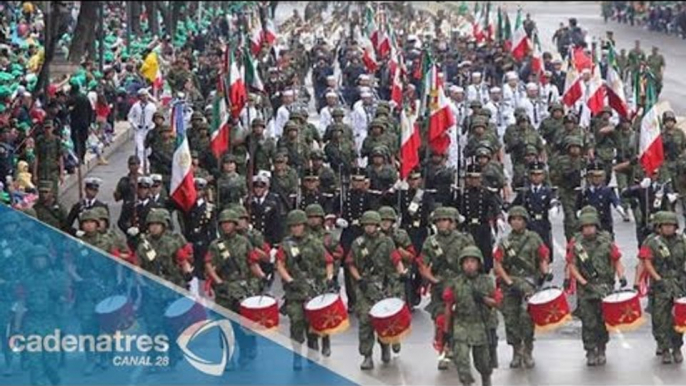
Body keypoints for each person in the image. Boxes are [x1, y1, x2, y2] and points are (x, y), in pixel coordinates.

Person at [205, 209, 267, 367]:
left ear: (235, 224)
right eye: (223, 224)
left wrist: (261, 276)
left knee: (243, 324)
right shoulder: (216, 245)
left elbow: (252, 262)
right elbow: (209, 266)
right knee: (225, 324)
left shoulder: (244, 242)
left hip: (242, 289)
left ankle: (246, 350)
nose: (226, 226)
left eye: (229, 223)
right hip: (224, 290)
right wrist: (218, 282)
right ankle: (228, 357)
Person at [346, 211, 407, 370]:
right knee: (365, 322)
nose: (369, 228)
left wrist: (401, 274)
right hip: (364, 286)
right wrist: (358, 279)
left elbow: (396, 259)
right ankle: (367, 356)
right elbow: (351, 263)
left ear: (377, 226)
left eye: (372, 225)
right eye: (366, 225)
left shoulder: (387, 242)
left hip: (384, 285)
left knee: (386, 319)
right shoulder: (357, 243)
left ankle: (386, 345)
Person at [493, 206, 551, 369]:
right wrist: (508, 281)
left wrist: (545, 272)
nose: (516, 222)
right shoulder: (505, 242)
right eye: (513, 219)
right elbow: (497, 264)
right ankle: (516, 351)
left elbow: (542, 257)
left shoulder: (534, 238)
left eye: (520, 219)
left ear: (525, 221)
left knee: (526, 318)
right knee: (510, 319)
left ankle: (528, 350)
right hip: (509, 285)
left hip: (529, 284)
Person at [276, 209, 336, 368]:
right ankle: (296, 354)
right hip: (294, 291)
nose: (296, 229)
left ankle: (313, 348)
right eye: (293, 226)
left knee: (313, 322)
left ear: (304, 226)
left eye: (299, 225)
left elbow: (328, 261)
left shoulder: (315, 243)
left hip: (313, 290)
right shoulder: (286, 245)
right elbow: (280, 265)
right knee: (296, 322)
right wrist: (289, 280)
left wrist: (329, 278)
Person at [418, 206, 475, 370]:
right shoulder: (431, 242)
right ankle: (443, 352)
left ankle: (458, 349)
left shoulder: (464, 240)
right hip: (440, 287)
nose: (441, 224)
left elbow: (473, 262)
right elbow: (423, 264)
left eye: (445, 220)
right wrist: (432, 279)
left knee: (461, 319)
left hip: (461, 285)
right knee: (441, 320)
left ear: (453, 223)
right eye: (439, 221)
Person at [566, 211, 625, 366]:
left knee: (603, 320)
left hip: (604, 287)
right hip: (586, 289)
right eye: (585, 227)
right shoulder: (577, 246)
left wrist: (621, 276)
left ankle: (602, 348)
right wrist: (582, 282)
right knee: (588, 321)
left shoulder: (606, 243)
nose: (588, 229)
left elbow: (616, 260)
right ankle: (590, 350)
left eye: (591, 226)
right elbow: (572, 265)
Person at [442, 246, 500, 386]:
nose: (469, 265)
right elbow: (449, 307)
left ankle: (486, 379)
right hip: (462, 324)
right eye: (466, 261)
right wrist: (445, 331)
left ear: (478, 264)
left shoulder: (487, 281)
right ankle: (466, 382)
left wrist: (484, 299)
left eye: (472, 261)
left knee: (483, 363)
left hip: (481, 324)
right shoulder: (455, 283)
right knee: (461, 360)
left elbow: (497, 303)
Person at [637, 211, 685, 364]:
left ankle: (677, 347)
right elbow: (646, 262)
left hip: (679, 285)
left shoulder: (681, 241)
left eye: (671, 225)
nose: (669, 228)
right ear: (659, 227)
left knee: (678, 318)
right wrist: (652, 279)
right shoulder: (652, 242)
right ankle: (664, 348)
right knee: (661, 318)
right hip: (660, 286)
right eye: (665, 225)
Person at [127, 89, 157, 172]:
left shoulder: (152, 106)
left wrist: (153, 126)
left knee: (147, 149)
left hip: (148, 129)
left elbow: (156, 117)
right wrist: (134, 125)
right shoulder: (136, 106)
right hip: (139, 130)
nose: (144, 97)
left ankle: (147, 167)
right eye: (142, 96)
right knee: (140, 148)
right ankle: (140, 167)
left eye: (146, 95)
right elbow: (130, 116)